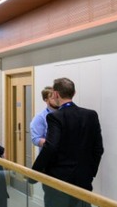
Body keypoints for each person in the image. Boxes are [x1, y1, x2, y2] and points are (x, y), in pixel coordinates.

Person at [32, 78, 104, 207]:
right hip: (83, 181)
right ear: (74, 93)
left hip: (58, 182)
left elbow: (50, 147)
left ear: (55, 94)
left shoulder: (55, 117)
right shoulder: (91, 115)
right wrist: (90, 172)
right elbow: (98, 149)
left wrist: (34, 173)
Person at [30, 86, 59, 151]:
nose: (57, 100)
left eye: (57, 97)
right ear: (46, 100)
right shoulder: (40, 117)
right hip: (50, 156)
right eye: (53, 98)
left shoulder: (65, 113)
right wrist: (57, 144)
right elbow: (36, 139)